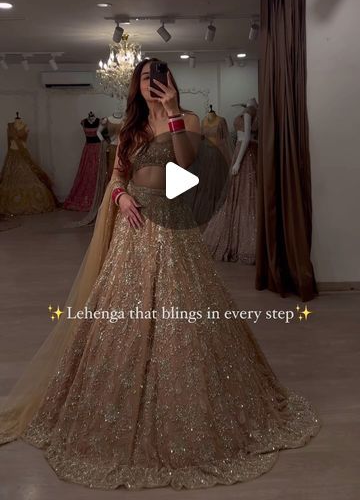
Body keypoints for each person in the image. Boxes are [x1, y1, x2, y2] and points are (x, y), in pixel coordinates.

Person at [0, 58, 321, 491]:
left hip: (171, 226)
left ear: (169, 82)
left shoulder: (185, 118)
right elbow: (117, 176)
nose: (152, 85)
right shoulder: (128, 125)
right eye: (145, 79)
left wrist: (172, 114)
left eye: (159, 78)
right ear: (136, 85)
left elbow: (187, 166)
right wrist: (120, 199)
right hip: (134, 226)